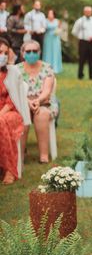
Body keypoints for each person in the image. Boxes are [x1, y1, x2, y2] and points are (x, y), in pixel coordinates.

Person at [17, 40, 58, 164]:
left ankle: (44, 155)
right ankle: (20, 155)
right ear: (23, 53)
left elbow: (47, 90)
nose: (31, 54)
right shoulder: (16, 69)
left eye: (35, 51)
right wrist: (27, 102)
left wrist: (37, 101)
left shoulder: (47, 68)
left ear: (39, 52)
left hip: (44, 102)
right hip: (22, 103)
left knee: (42, 115)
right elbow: (16, 91)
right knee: (22, 116)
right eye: (28, 51)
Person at [0, 37, 28, 185]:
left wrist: (10, 63)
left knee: (1, 122)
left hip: (11, 111)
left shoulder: (12, 71)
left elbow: (11, 101)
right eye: (0, 52)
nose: (2, 56)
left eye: (5, 52)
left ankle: (9, 169)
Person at [71, 6, 92, 80]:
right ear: (84, 12)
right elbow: (74, 31)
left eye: (89, 11)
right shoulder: (80, 21)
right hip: (83, 42)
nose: (88, 13)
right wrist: (80, 36)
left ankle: (91, 75)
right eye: (86, 11)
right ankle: (80, 74)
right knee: (82, 59)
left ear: (91, 12)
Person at [42, 9, 63, 74]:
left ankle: (56, 68)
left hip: (55, 39)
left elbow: (60, 29)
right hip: (48, 38)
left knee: (55, 52)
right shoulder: (45, 21)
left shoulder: (57, 21)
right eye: (49, 13)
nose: (50, 15)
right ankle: (47, 68)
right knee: (48, 52)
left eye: (51, 13)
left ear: (54, 14)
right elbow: (43, 28)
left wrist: (58, 31)